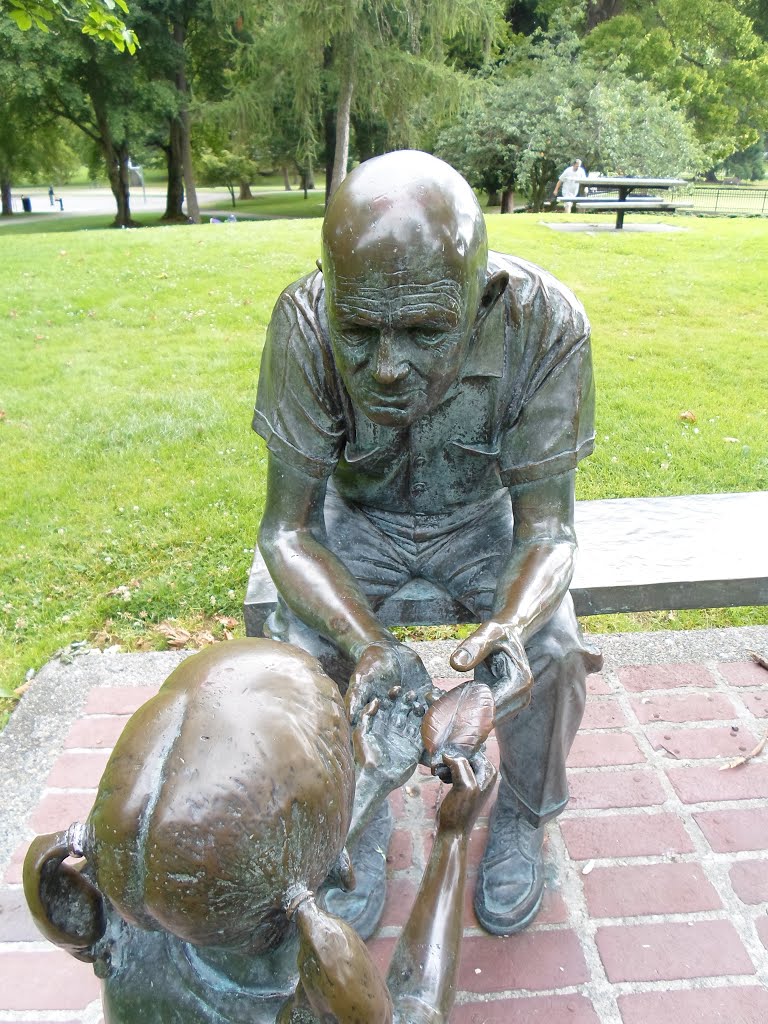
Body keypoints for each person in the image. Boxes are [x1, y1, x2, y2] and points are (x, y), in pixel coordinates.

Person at [253, 150, 603, 938]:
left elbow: (547, 530)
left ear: (481, 300)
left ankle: (523, 815)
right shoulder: (303, 322)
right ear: (329, 289)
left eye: (423, 331)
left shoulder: (545, 323)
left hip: (484, 524)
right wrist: (366, 643)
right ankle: (355, 815)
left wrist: (507, 628)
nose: (385, 367)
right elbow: (288, 529)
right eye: (361, 328)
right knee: (299, 647)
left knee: (551, 647)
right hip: (358, 523)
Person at [24, 639, 496, 1024]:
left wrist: (367, 780)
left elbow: (237, 859)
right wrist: (453, 837)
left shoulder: (134, 907)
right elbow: (421, 1006)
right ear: (339, 869)